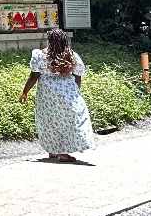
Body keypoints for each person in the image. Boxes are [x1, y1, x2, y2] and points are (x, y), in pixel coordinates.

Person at [19, 29, 96, 163]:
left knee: (49, 121)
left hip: (47, 95)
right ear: (64, 40)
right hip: (68, 93)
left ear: (49, 40)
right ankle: (64, 153)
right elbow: (78, 76)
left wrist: (25, 92)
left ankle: (53, 150)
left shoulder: (39, 55)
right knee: (69, 120)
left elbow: (34, 76)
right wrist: (76, 93)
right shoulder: (71, 56)